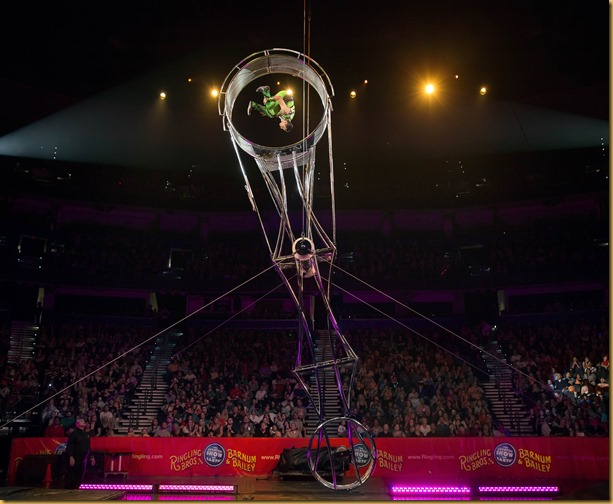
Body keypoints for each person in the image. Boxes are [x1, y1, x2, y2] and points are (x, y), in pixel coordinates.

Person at [64, 418, 90, 489]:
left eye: (83, 421)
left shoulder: (86, 435)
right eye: (81, 421)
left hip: (83, 458)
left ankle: (76, 488)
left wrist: (91, 457)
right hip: (75, 457)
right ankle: (69, 489)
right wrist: (71, 456)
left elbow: (88, 446)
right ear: (77, 424)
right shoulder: (74, 433)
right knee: (72, 474)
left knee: (80, 474)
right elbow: (70, 445)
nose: (83, 422)